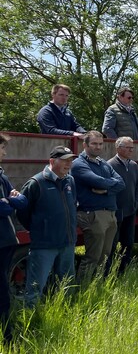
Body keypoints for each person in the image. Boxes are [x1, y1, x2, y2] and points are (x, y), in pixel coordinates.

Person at [18, 145, 77, 308]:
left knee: (67, 284)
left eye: (71, 160)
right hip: (44, 245)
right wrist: (40, 229)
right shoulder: (36, 182)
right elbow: (22, 212)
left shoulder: (70, 180)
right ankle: (30, 320)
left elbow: (72, 205)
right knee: (36, 287)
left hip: (67, 243)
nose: (69, 164)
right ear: (52, 161)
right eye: (65, 160)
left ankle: (67, 313)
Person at [70, 131, 125, 282]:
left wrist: (106, 189)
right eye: (94, 144)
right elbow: (97, 182)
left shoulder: (103, 163)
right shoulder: (78, 164)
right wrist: (108, 185)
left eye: (100, 144)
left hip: (110, 214)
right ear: (85, 145)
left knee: (105, 255)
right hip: (92, 214)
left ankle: (97, 286)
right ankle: (83, 290)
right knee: (93, 256)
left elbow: (121, 183)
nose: (98, 147)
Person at [0, 134, 27, 340]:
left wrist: (9, 200)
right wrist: (9, 201)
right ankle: (6, 336)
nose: (5, 152)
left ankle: (7, 331)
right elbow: (4, 207)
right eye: (2, 148)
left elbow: (22, 202)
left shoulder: (2, 175)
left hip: (7, 241)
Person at [106, 137, 138, 275]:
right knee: (112, 244)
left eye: (132, 148)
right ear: (118, 148)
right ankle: (108, 272)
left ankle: (123, 270)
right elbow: (107, 188)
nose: (131, 150)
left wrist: (135, 203)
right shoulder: (110, 165)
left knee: (128, 242)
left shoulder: (133, 165)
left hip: (130, 210)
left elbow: (137, 186)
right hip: (116, 211)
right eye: (128, 147)